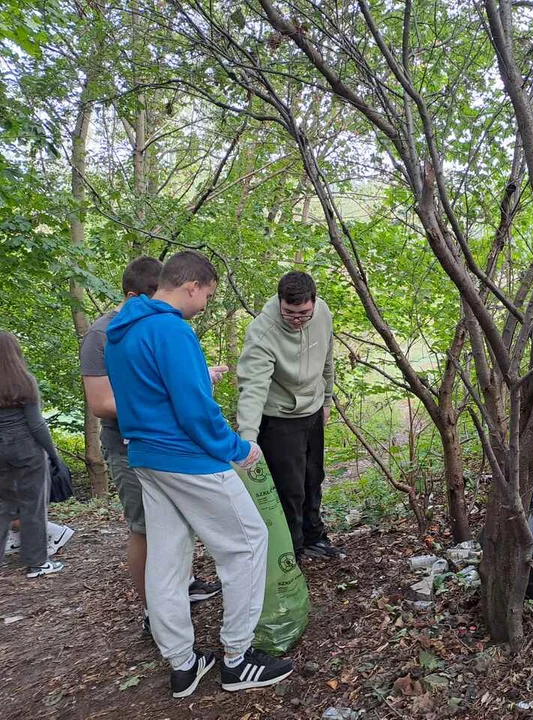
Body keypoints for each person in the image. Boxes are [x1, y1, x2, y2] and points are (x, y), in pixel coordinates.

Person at [105, 250, 293, 697]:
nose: (205, 304)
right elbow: (194, 410)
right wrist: (237, 448)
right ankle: (237, 659)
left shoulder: (121, 332)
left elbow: (148, 396)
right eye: (207, 294)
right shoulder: (171, 329)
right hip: (188, 459)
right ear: (191, 286)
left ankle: (183, 665)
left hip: (147, 459)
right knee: (247, 545)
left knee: (167, 562)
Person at [80, 256, 221, 636]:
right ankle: (151, 611)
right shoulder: (105, 334)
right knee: (145, 528)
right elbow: (100, 402)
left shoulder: (164, 326)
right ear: (132, 295)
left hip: (169, 443)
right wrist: (162, 401)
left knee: (176, 524)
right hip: (128, 445)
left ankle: (181, 587)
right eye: (149, 297)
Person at [236, 271, 339, 562]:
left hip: (313, 408)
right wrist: (248, 437)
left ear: (313, 303)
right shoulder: (262, 332)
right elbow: (253, 387)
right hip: (279, 417)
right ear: (280, 303)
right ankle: (291, 551)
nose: (297, 320)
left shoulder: (322, 314)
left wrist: (327, 398)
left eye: (304, 313)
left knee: (313, 477)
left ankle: (313, 536)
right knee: (289, 488)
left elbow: (328, 357)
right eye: (290, 313)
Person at [0, 331, 64, 578]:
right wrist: (53, 454)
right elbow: (37, 425)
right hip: (27, 450)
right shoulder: (24, 381)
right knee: (32, 506)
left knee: (3, 506)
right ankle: (37, 563)